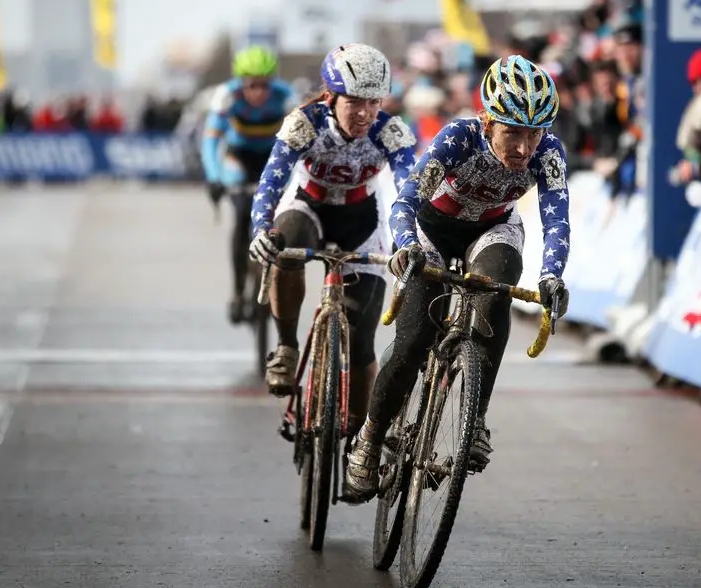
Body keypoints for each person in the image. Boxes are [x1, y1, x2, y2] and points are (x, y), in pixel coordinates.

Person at [342, 55, 572, 501]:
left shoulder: (549, 154)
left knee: (497, 286)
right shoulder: (457, 138)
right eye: (512, 132)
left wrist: (552, 276)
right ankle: (370, 437)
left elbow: (557, 219)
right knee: (412, 341)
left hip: (491, 230)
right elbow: (406, 202)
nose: (524, 148)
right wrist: (406, 245)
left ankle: (475, 420)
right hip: (431, 231)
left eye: (533, 133)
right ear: (487, 121)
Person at [247, 44, 417, 430]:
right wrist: (260, 228)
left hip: (362, 220)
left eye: (373, 102)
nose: (364, 114)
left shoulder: (391, 132)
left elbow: (409, 191)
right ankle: (287, 346)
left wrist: (408, 240)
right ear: (330, 98)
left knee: (361, 344)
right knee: (285, 238)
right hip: (310, 207)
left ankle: (359, 433)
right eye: (354, 102)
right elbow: (271, 182)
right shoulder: (304, 123)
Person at [201, 46, 296, 324]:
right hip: (239, 158)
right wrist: (214, 177)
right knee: (243, 215)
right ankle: (238, 290)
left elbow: (301, 143)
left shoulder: (286, 96)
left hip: (270, 158)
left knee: (281, 214)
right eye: (251, 85)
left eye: (263, 85)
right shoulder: (227, 96)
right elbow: (210, 141)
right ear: (241, 83)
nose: (258, 92)